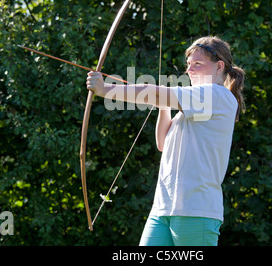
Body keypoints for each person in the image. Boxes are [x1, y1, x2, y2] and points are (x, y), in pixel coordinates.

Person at [86, 36, 245, 246]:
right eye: (188, 65)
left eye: (197, 64)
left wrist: (106, 89)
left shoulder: (218, 96)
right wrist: (163, 105)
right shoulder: (192, 108)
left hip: (196, 210)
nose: (190, 70)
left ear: (219, 67)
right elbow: (163, 143)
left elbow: (153, 92)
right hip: (163, 208)